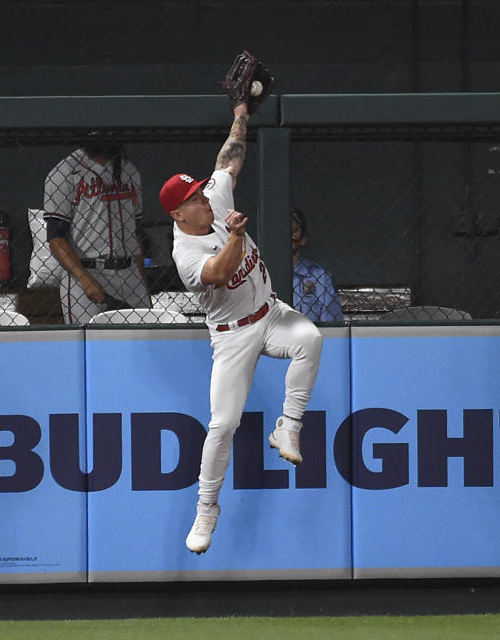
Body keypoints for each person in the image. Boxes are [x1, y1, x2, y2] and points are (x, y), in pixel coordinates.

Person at [160, 102, 323, 555]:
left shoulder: (213, 199)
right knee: (223, 423)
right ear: (178, 215)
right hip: (232, 335)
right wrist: (234, 235)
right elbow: (217, 272)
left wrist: (242, 113)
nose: (202, 199)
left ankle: (288, 426)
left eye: (199, 192)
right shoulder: (184, 254)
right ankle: (207, 508)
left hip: (270, 314)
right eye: (192, 200)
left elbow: (228, 161)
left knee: (310, 337)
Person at [34, 135, 151, 323]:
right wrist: (86, 281)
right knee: (92, 343)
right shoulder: (63, 173)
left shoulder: (129, 171)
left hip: (130, 273)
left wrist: (142, 285)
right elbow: (56, 239)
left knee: (143, 339)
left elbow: (134, 233)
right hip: (86, 272)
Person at [291, 207, 343, 323]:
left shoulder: (319, 277)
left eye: (293, 230)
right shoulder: (260, 275)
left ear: (303, 239)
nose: (288, 236)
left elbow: (332, 330)